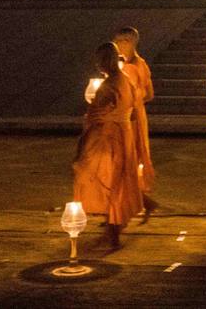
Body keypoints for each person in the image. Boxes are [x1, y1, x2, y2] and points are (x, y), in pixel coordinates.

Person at [72, 42, 144, 252]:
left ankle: (113, 233)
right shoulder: (126, 81)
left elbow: (94, 119)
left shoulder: (109, 86)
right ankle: (114, 227)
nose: (98, 65)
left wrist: (81, 147)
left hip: (106, 138)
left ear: (106, 61)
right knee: (119, 181)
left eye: (100, 60)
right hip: (124, 134)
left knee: (105, 182)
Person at [113, 27, 158, 219]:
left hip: (132, 117)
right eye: (119, 41)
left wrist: (133, 100)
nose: (122, 45)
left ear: (134, 42)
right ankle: (135, 203)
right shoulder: (116, 65)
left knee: (130, 158)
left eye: (126, 40)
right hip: (120, 115)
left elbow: (149, 94)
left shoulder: (139, 65)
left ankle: (123, 208)